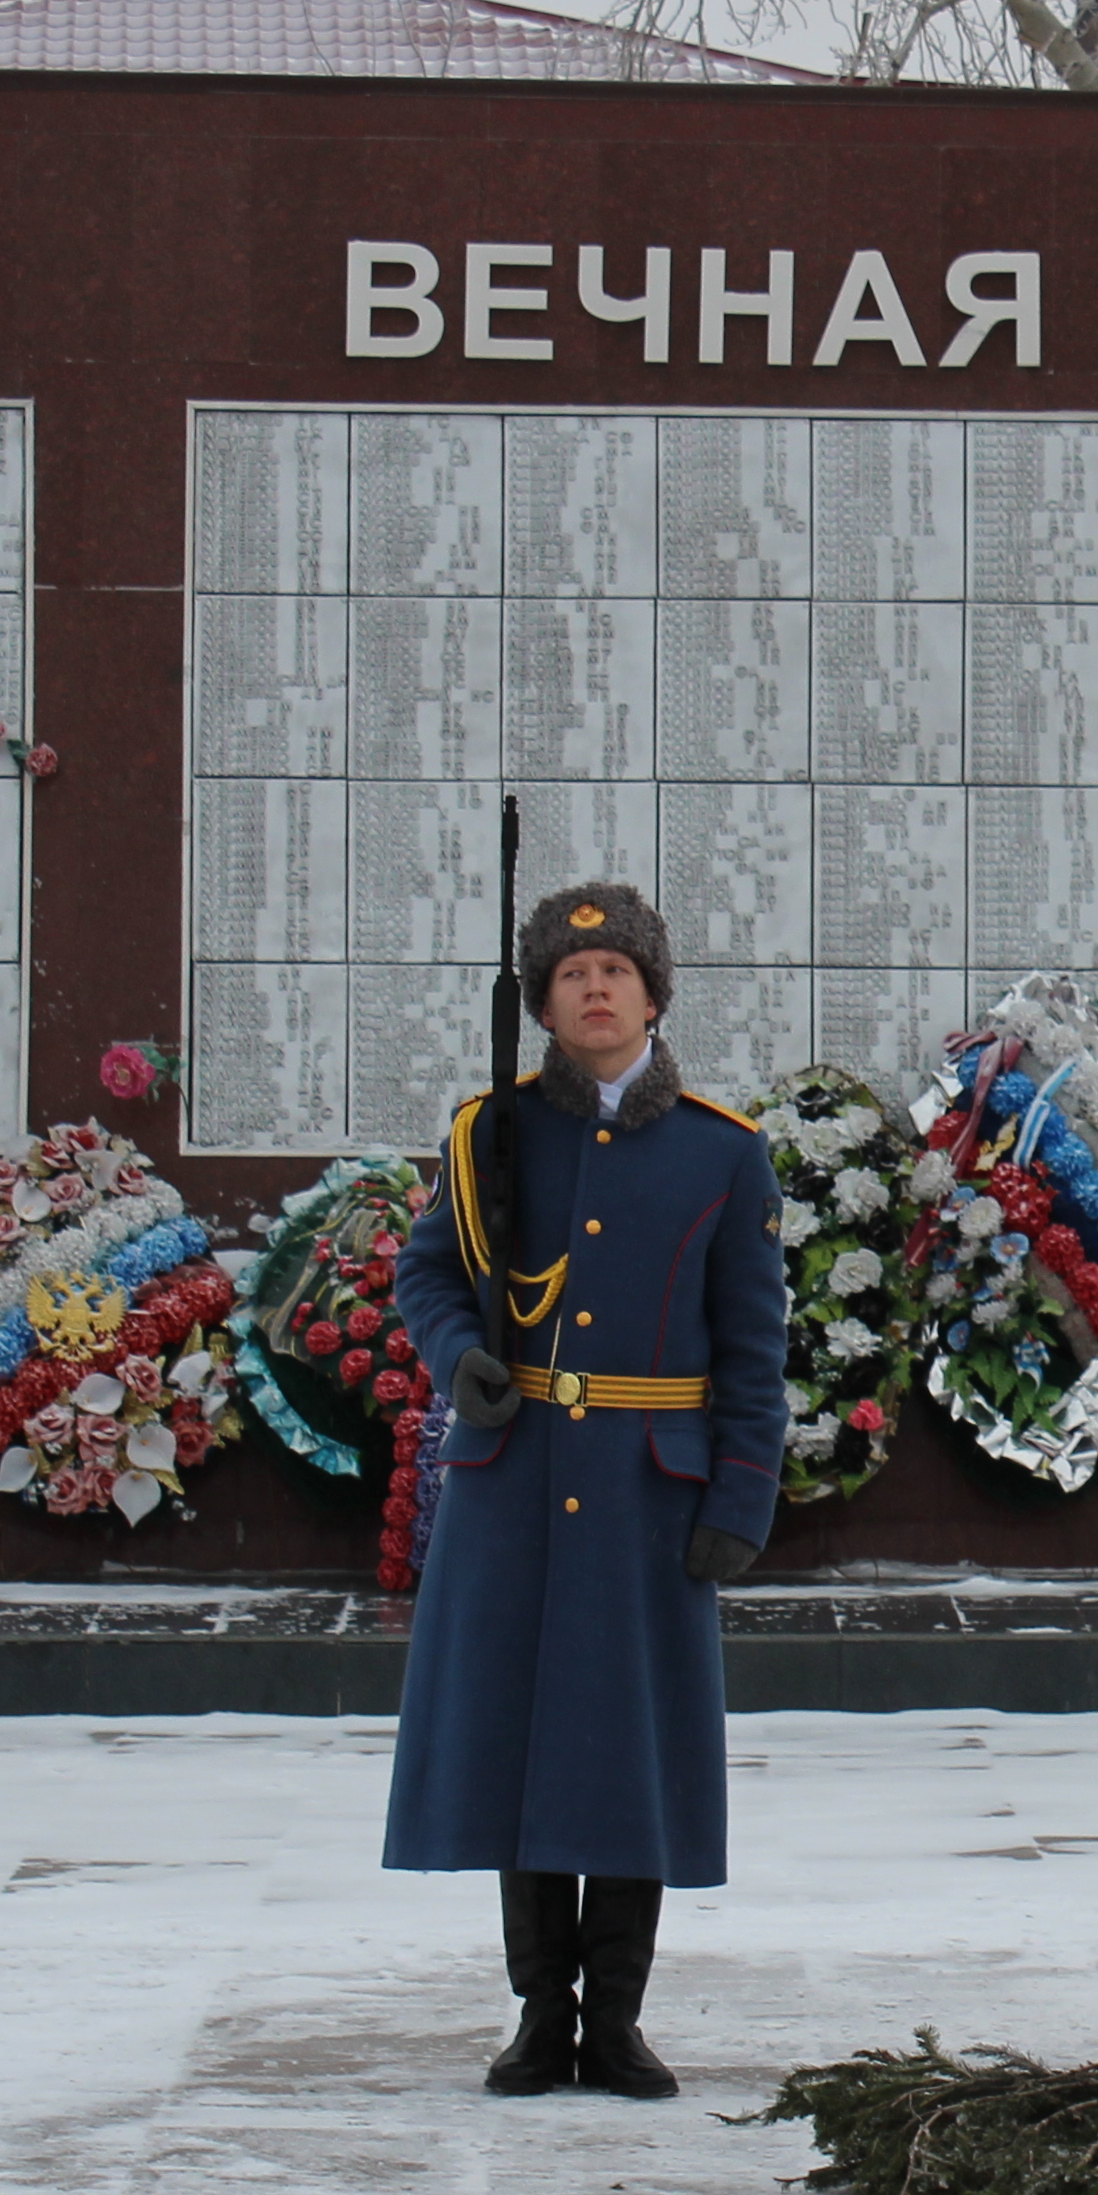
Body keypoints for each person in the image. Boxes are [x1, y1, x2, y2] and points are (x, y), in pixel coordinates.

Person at [384, 882, 788, 2098]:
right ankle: (537, 2018)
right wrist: (463, 1359)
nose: (596, 990)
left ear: (655, 996)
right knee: (517, 1750)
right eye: (571, 975)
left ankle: (615, 2018)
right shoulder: (492, 1134)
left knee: (630, 1755)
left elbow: (754, 1347)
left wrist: (738, 1500)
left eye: (617, 971)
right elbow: (428, 1275)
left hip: (646, 1495)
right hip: (516, 1482)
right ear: (544, 1004)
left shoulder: (724, 1151)